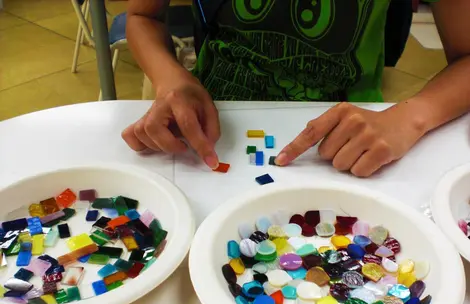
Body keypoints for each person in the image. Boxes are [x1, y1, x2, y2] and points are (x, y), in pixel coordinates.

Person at [122, 0, 470, 177]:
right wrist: (172, 79)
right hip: (212, 127)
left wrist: (410, 117)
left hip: (350, 137)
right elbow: (142, 16)